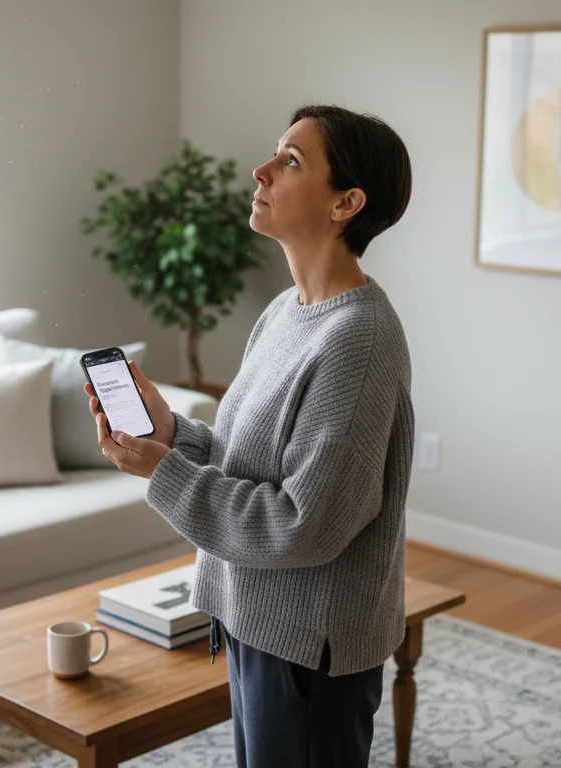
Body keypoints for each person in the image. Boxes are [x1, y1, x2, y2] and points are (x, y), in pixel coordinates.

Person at [86, 103, 414, 767]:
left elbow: (303, 525)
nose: (261, 170)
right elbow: (250, 463)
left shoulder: (358, 342)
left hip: (307, 649)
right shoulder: (287, 313)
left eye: (291, 162)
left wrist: (161, 472)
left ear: (346, 202)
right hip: (258, 618)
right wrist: (170, 433)